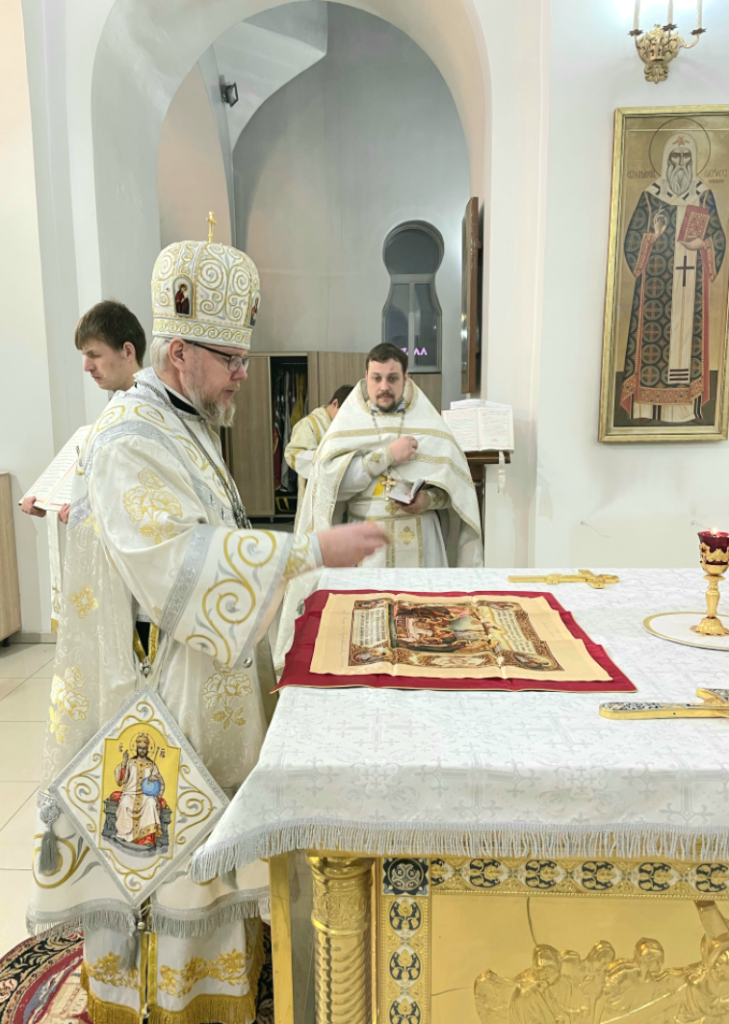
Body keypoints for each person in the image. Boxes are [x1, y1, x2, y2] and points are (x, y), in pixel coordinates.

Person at [28, 235, 386, 1024]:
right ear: (180, 352)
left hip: (199, 674)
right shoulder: (129, 437)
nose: (243, 375)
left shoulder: (180, 422)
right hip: (159, 693)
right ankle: (175, 1002)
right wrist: (308, 550)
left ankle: (221, 984)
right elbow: (171, 562)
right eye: (232, 359)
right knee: (172, 852)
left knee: (211, 844)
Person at [273, 342, 482, 669]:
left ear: (406, 378)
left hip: (422, 541)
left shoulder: (430, 425)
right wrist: (387, 455)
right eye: (377, 378)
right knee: (369, 640)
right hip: (367, 545)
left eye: (392, 378)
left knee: (427, 633)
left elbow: (455, 494)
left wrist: (427, 499)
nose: (384, 386)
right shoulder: (348, 424)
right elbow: (334, 488)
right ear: (366, 378)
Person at [620, 130, 726, 423]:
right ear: (667, 159)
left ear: (694, 161)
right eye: (675, 157)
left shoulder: (703, 195)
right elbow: (632, 242)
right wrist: (653, 236)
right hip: (656, 291)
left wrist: (702, 244)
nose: (680, 163)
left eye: (686, 157)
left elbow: (717, 238)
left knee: (687, 346)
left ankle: (685, 410)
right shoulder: (651, 196)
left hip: (691, 288)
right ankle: (646, 409)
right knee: (653, 347)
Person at [21, 300, 146, 523]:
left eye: (94, 355)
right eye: (84, 356)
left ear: (127, 351)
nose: (86, 366)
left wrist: (89, 517)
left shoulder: (154, 413)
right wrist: (51, 502)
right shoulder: (118, 408)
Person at [284, 383, 354, 519]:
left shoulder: (345, 426)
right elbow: (292, 454)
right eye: (347, 413)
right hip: (316, 498)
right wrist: (329, 458)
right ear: (335, 403)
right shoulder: (309, 424)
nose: (348, 418)